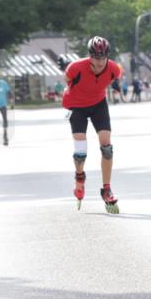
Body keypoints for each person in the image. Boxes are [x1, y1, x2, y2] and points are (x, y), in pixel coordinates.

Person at [62, 36, 123, 213]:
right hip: (77, 106)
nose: (100, 62)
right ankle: (79, 177)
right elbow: (67, 79)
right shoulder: (75, 68)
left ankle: (106, 189)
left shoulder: (113, 69)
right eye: (96, 58)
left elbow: (114, 79)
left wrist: (117, 89)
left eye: (103, 57)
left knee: (107, 148)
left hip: (98, 105)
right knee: (81, 152)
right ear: (90, 56)